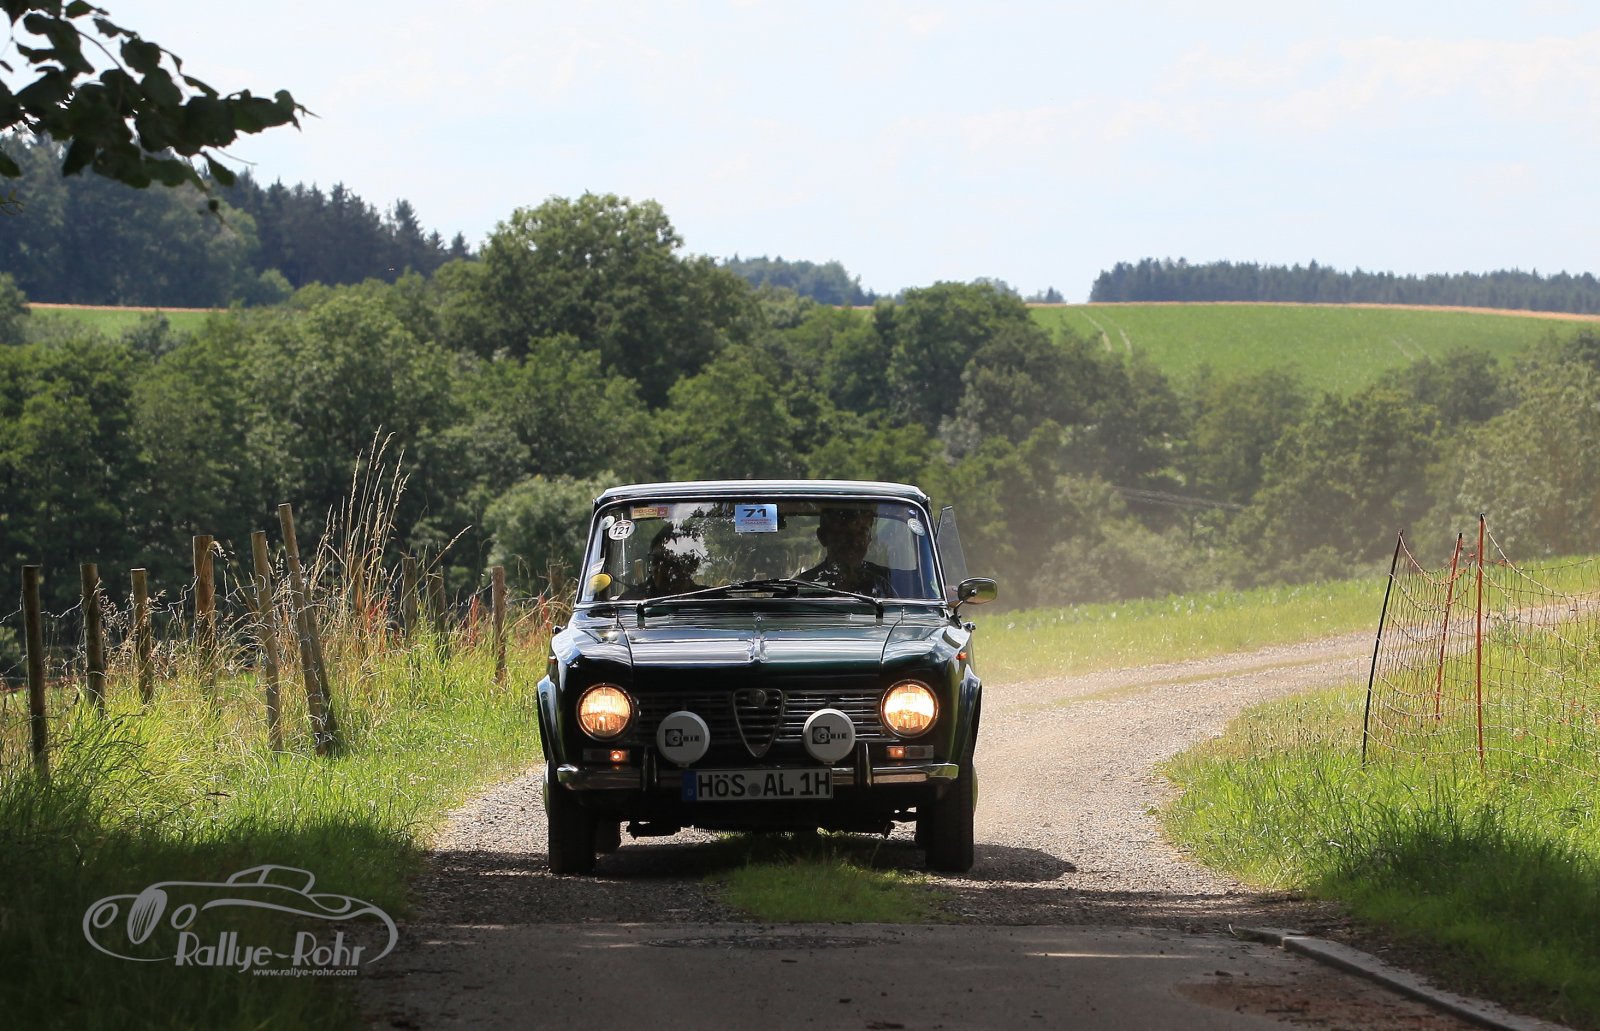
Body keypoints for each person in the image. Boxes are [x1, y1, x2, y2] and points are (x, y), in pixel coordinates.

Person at [797, 507, 893, 596]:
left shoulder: (888, 581)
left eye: (861, 533)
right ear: (822, 537)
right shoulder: (802, 586)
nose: (853, 542)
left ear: (870, 538)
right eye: (843, 533)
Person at [622, 525, 705, 599]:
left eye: (670, 561)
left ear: (692, 565)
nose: (660, 568)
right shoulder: (631, 601)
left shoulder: (708, 601)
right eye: (655, 560)